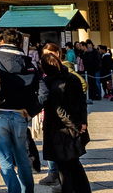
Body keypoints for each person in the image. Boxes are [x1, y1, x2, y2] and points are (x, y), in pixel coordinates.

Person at [0, 28, 44, 193]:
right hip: (21, 114)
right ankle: (27, 191)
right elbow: (44, 91)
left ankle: (14, 190)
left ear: (2, 41)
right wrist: (32, 110)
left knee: (4, 159)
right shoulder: (28, 62)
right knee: (22, 157)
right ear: (19, 42)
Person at [39, 49, 90, 193]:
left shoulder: (50, 83)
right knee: (74, 164)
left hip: (59, 129)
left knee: (65, 168)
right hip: (77, 125)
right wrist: (83, 123)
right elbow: (82, 102)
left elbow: (59, 110)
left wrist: (75, 125)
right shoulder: (73, 78)